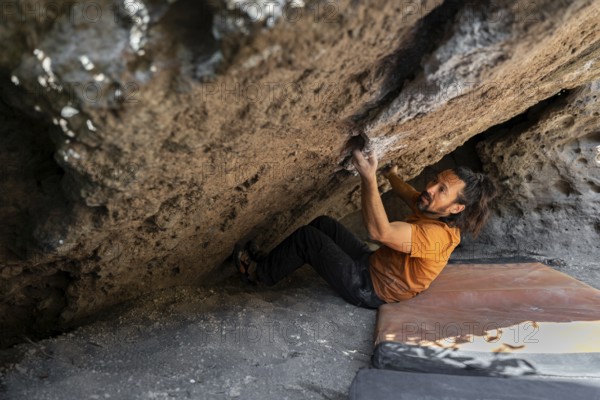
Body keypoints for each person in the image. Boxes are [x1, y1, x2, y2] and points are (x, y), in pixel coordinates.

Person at [234, 148, 498, 308]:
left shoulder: (435, 237)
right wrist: (390, 174)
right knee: (323, 224)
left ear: (456, 208)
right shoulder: (436, 210)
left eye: (442, 190)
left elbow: (379, 233)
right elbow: (410, 194)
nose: (430, 189)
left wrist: (368, 176)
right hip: (370, 263)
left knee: (307, 238)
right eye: (436, 181)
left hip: (369, 288)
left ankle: (259, 274)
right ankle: (272, 262)